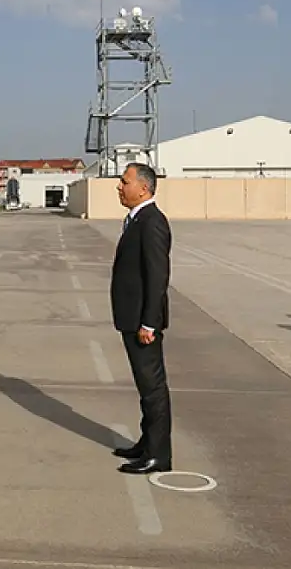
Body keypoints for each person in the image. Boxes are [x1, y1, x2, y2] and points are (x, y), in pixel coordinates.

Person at [110, 162, 173, 475]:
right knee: (143, 385)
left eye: (124, 182)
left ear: (144, 188)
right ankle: (147, 442)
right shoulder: (136, 219)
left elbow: (158, 277)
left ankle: (159, 455)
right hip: (132, 318)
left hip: (142, 323)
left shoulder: (152, 222)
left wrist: (149, 322)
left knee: (152, 387)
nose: (119, 186)